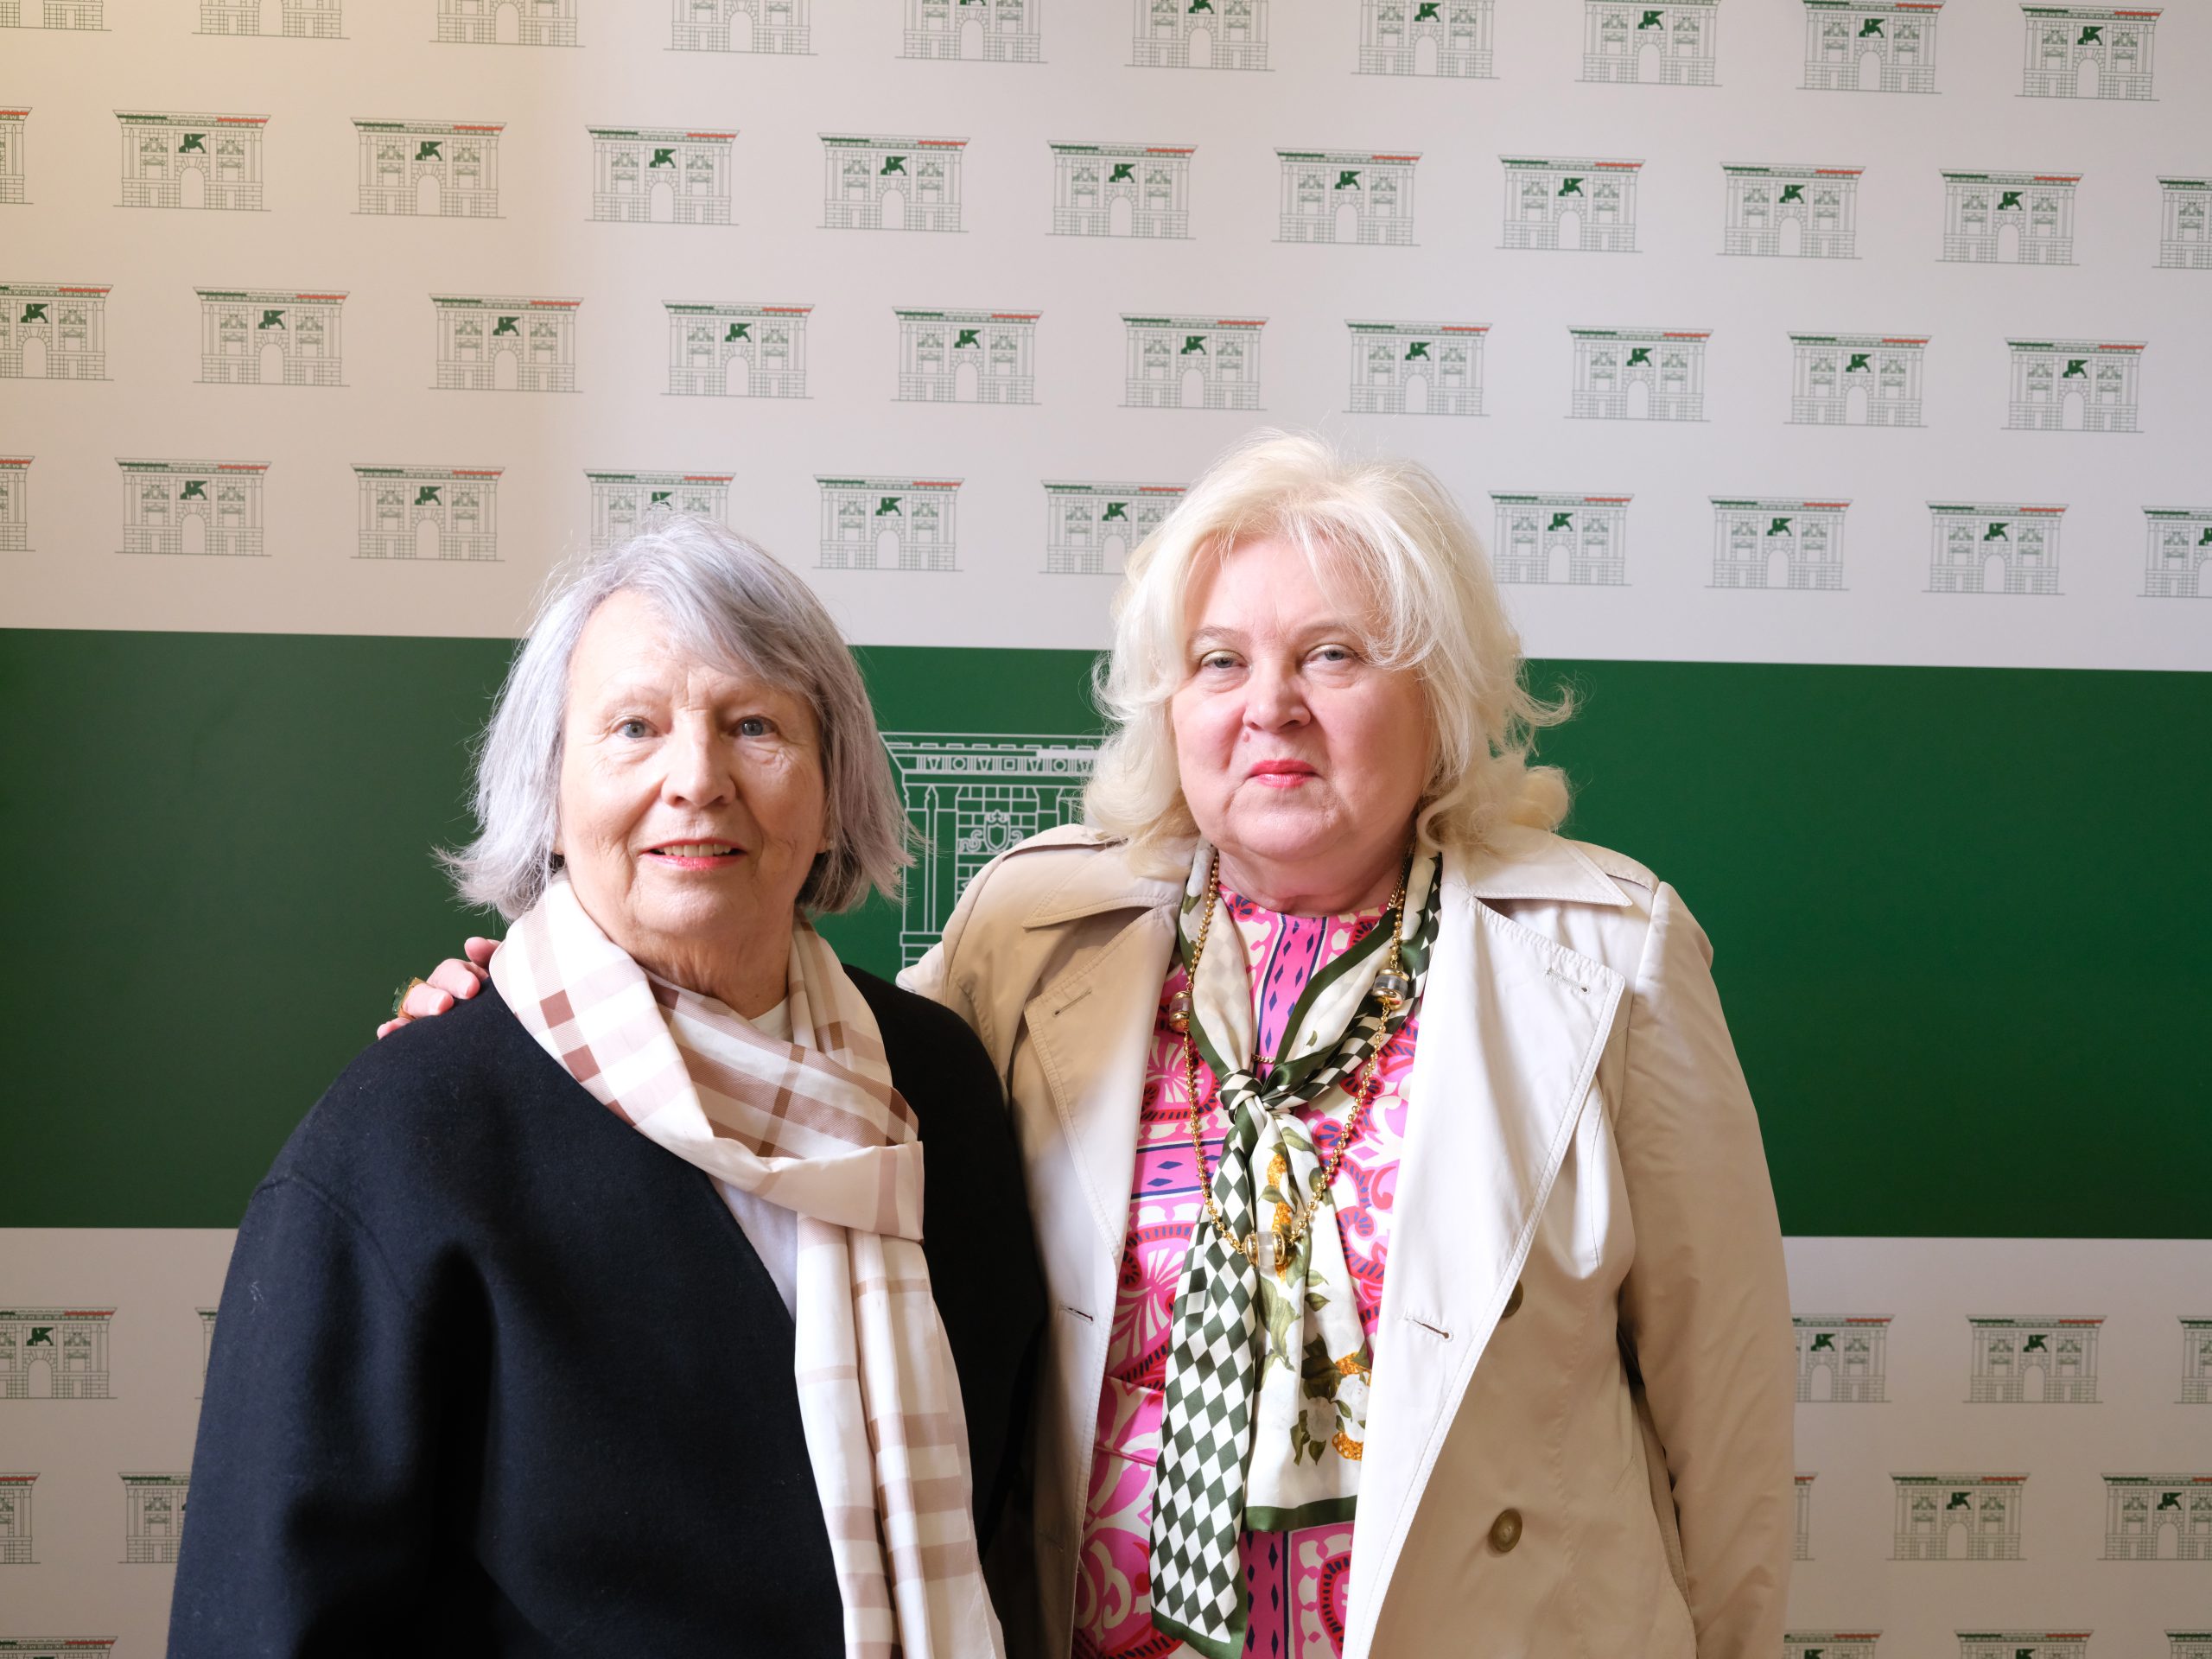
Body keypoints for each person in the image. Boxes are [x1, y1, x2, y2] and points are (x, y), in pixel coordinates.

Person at [395, 433, 1796, 1659]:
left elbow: (1724, 1428)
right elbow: (786, 1075)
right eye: (1219, 662)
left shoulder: (1605, 956)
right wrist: (536, 1010)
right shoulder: (1037, 928)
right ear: (1169, 707)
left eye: (1332, 655)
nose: (1271, 705)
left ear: (1441, 694)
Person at [174, 519, 1043, 1658]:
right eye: (635, 728)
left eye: (754, 726)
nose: (698, 780)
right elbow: (269, 1619)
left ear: (832, 785)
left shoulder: (942, 1089)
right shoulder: (403, 1140)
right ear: (550, 789)